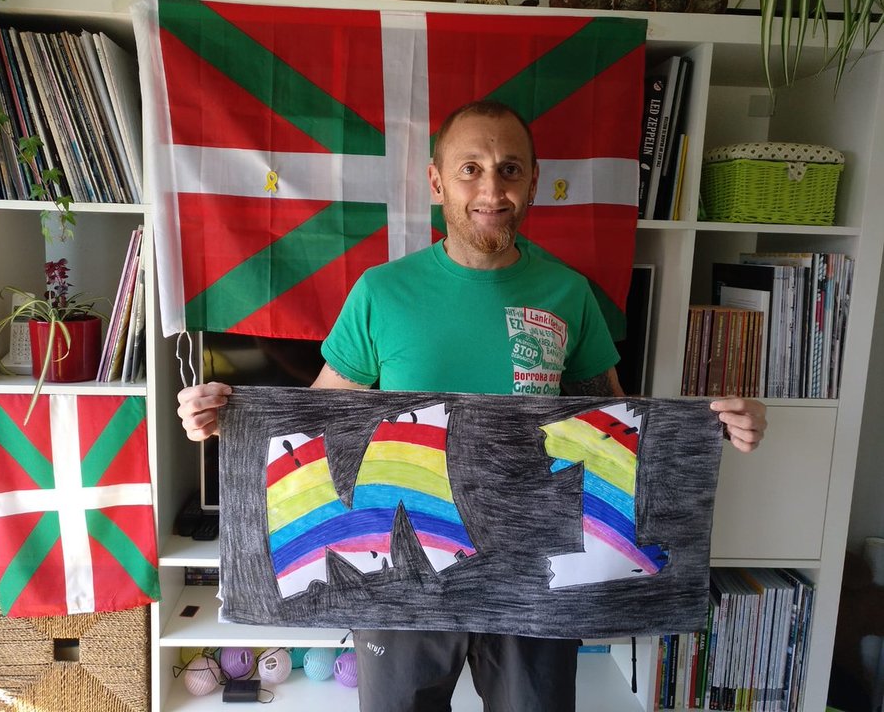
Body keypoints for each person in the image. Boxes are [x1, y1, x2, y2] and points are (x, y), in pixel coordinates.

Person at [177, 100, 768, 712]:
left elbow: (619, 427)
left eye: (510, 169)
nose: (492, 189)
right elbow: (311, 423)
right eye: (471, 169)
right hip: (403, 574)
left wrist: (715, 428)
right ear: (437, 182)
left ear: (533, 181)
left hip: (533, 579)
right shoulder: (382, 291)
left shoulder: (568, 293)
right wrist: (224, 421)